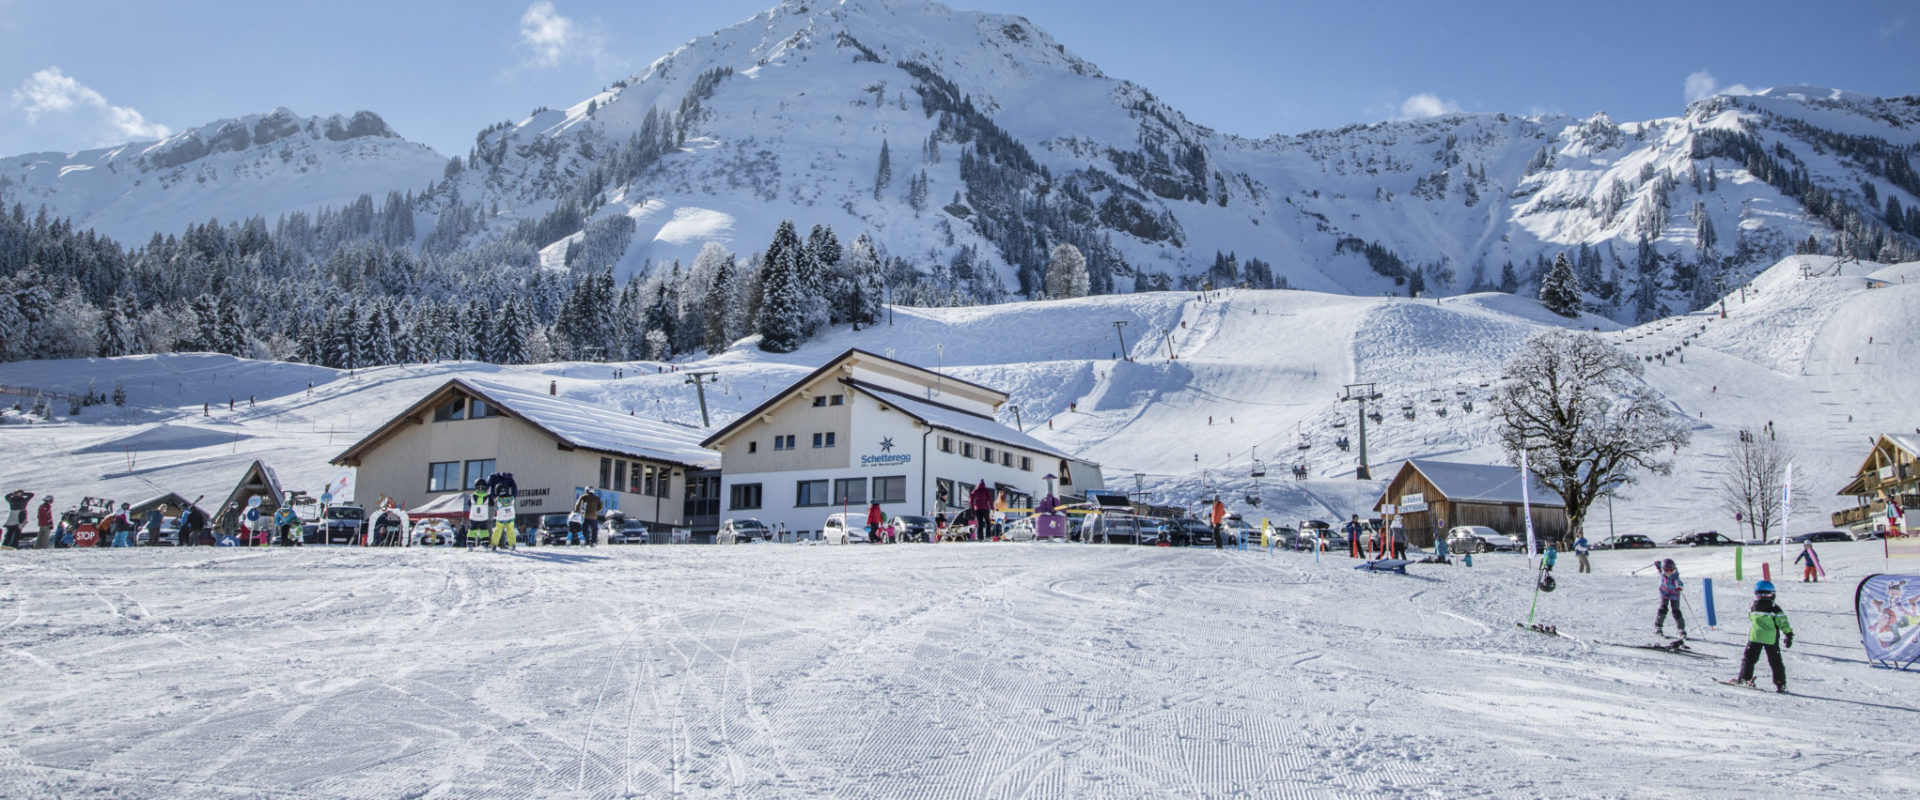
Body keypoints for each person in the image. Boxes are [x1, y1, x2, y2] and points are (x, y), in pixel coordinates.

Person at [1732, 580, 1793, 692]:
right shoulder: (1774, 608)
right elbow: (1782, 621)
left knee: (1749, 659)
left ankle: (1745, 678)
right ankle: (1780, 683)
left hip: (1755, 637)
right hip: (1771, 638)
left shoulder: (1753, 607)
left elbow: (1750, 617)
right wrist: (1788, 633)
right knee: (1775, 661)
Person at [1655, 558, 1687, 638]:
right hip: (1664, 593)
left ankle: (1681, 629)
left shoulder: (1675, 575)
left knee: (1676, 611)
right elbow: (1659, 568)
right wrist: (1657, 565)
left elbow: (1678, 581)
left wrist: (1679, 586)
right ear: (1663, 569)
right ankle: (1658, 627)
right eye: (1667, 570)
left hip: (1674, 594)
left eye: (1671, 570)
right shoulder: (1662, 573)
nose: (1669, 572)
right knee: (1663, 609)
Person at [465, 479, 491, 550]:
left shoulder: (472, 496)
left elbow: (469, 504)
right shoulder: (487, 496)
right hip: (483, 517)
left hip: (474, 516)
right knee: (484, 530)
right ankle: (485, 543)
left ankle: (470, 544)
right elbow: (492, 504)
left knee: (472, 530)